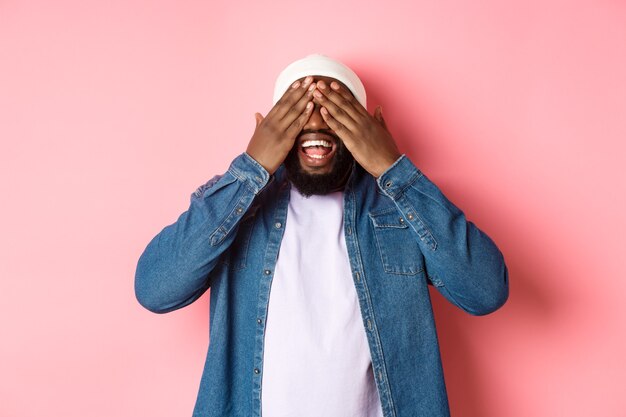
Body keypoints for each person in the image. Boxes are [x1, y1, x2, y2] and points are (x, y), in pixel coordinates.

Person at [135, 54, 509, 417]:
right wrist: (251, 170)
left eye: (336, 105)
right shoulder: (237, 205)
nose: (316, 118)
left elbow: (485, 291)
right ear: (269, 126)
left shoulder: (400, 207)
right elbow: (155, 289)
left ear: (369, 123)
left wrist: (393, 169)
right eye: (297, 108)